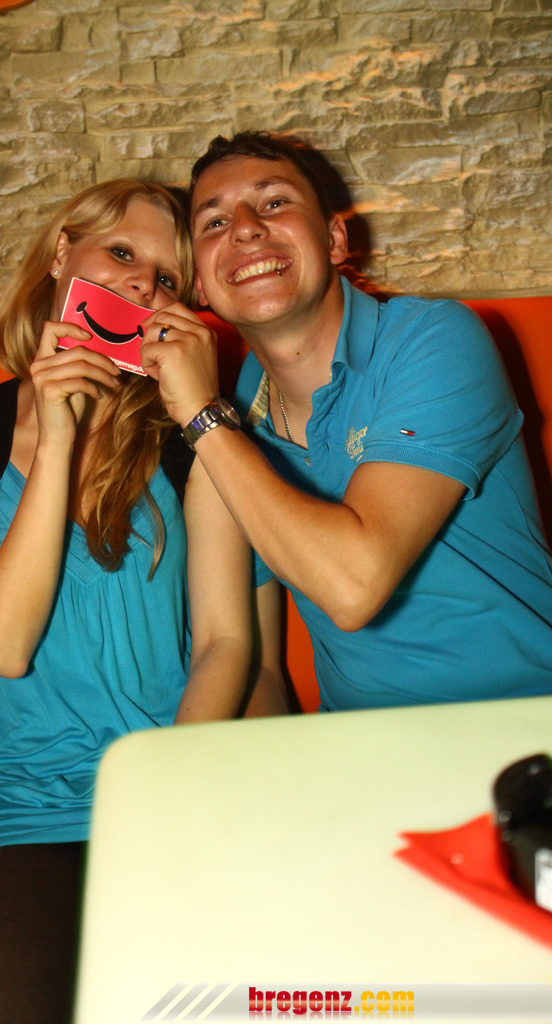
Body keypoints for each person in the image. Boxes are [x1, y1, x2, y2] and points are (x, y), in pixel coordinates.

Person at [0, 178, 284, 1024]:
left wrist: (167, 791)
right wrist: (58, 434)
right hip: (9, 800)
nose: (142, 283)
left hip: (170, 776)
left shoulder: (200, 435)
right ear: (60, 255)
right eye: (121, 253)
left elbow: (226, 644)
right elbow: (1, 644)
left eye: (167, 278)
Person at [140, 130, 552, 711]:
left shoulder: (434, 339)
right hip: (357, 741)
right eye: (214, 222)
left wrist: (201, 417)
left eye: (274, 202)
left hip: (522, 719)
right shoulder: (237, 414)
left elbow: (353, 586)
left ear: (335, 239)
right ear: (201, 286)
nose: (245, 228)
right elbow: (255, 665)